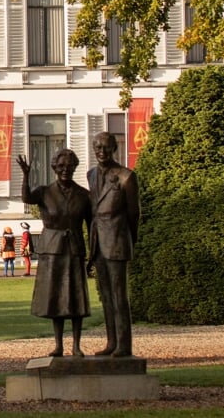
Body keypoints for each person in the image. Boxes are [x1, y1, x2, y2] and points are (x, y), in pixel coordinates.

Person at [18, 147, 93, 357]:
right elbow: (26, 198)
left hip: (74, 248)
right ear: (54, 168)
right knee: (56, 297)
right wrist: (26, 175)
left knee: (76, 297)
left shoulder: (84, 195)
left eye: (69, 166)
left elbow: (92, 225)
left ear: (75, 168)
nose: (65, 170)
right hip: (51, 249)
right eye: (61, 166)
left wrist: (93, 254)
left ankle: (76, 345)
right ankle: (58, 344)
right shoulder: (44, 192)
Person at [87, 131, 140, 357]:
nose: (101, 152)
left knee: (119, 295)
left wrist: (128, 239)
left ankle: (124, 345)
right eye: (98, 148)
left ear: (114, 149)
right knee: (106, 295)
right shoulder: (91, 175)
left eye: (106, 148)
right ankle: (111, 342)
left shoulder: (126, 177)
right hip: (99, 241)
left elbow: (134, 214)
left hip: (117, 240)